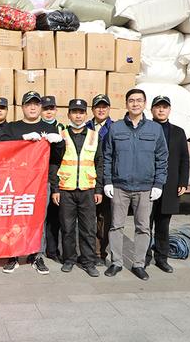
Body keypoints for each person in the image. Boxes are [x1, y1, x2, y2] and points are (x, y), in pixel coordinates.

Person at [103, 88, 168, 281]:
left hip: (145, 188)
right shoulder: (115, 128)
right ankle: (116, 262)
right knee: (116, 226)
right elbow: (107, 156)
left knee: (143, 228)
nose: (135, 104)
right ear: (126, 104)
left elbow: (162, 158)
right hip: (120, 186)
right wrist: (107, 181)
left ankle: (139, 264)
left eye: (139, 101)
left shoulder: (154, 129)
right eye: (131, 100)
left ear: (144, 104)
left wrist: (158, 183)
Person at [0, 91, 65, 275]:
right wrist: (22, 140)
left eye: (36, 104)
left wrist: (58, 143)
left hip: (40, 183)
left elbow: (57, 159)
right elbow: (1, 147)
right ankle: (13, 255)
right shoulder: (12, 128)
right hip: (16, 183)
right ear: (22, 107)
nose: (33, 107)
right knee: (15, 218)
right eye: (29, 104)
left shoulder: (49, 128)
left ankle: (36, 255)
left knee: (38, 219)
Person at [53, 99, 103, 277]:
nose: (78, 115)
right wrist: (55, 189)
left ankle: (88, 262)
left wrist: (98, 189)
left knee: (88, 228)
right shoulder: (61, 136)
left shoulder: (94, 136)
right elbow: (54, 164)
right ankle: (69, 259)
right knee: (67, 228)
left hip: (87, 189)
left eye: (81, 112)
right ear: (68, 115)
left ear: (86, 114)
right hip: (66, 188)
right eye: (74, 112)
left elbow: (100, 164)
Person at [147, 95, 189, 273]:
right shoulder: (145, 129)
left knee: (163, 225)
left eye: (165, 107)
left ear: (170, 110)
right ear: (152, 110)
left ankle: (161, 258)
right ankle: (144, 257)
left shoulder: (178, 132)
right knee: (145, 224)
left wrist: (183, 181)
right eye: (158, 107)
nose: (161, 110)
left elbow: (184, 159)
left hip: (169, 185)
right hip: (148, 184)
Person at [85, 94, 114, 266]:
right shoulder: (86, 127)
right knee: (89, 217)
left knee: (105, 218)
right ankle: (90, 251)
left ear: (109, 109)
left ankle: (101, 252)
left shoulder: (115, 127)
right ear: (93, 109)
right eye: (98, 107)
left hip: (107, 177)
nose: (101, 110)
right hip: (88, 177)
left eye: (104, 106)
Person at [40, 95, 64, 262]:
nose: (48, 112)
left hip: (57, 177)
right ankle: (38, 249)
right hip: (38, 177)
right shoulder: (36, 126)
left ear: (56, 110)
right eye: (45, 109)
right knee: (40, 217)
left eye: (51, 109)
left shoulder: (62, 128)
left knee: (55, 218)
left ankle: (53, 250)